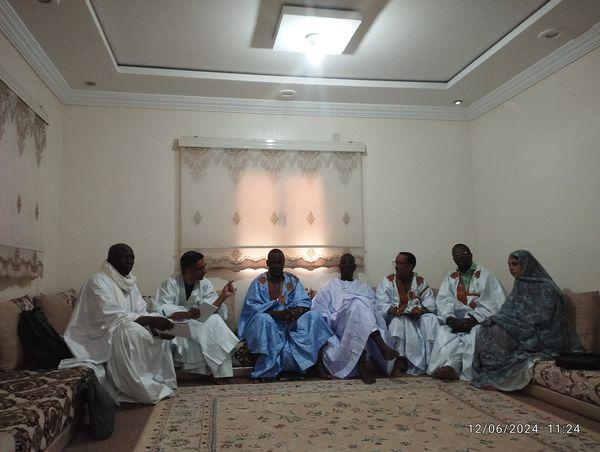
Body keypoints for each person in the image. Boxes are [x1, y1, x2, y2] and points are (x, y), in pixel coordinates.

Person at [62, 243, 176, 404]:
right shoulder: (97, 282)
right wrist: (150, 321)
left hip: (121, 326)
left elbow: (140, 309)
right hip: (97, 336)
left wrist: (156, 325)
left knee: (157, 332)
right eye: (125, 257)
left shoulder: (129, 281)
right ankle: (136, 388)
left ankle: (156, 380)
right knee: (129, 332)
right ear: (111, 259)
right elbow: (111, 316)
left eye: (132, 258)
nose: (130, 262)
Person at [472, 250, 582, 391]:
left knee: (497, 330)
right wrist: (500, 319)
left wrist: (512, 322)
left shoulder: (546, 287)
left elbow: (541, 317)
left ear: (526, 264)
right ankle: (492, 375)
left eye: (515, 264)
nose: (511, 268)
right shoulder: (520, 284)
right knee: (488, 328)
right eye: (509, 265)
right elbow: (507, 310)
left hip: (544, 335)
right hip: (522, 329)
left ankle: (500, 379)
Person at [238, 249, 332, 381]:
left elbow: (304, 302)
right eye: (274, 263)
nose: (277, 266)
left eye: (280, 262)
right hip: (270, 324)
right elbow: (252, 308)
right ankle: (265, 370)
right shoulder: (259, 282)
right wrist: (277, 314)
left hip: (291, 322)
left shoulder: (291, 281)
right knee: (263, 319)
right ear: (267, 263)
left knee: (315, 316)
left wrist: (295, 312)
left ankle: (317, 365)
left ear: (283, 263)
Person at [312, 254, 398, 384]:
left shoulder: (364, 287)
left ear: (354, 267)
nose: (347, 265)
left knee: (360, 308)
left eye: (350, 263)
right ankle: (381, 346)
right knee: (358, 304)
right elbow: (319, 312)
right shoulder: (328, 287)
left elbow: (376, 309)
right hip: (338, 324)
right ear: (339, 266)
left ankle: (362, 366)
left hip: (361, 324)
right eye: (344, 263)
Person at [154, 251, 239, 380]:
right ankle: (215, 372)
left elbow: (209, 309)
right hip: (178, 323)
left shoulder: (205, 283)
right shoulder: (170, 283)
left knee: (215, 319)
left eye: (204, 267)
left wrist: (222, 297)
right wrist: (186, 314)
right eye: (201, 268)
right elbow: (161, 310)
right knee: (200, 327)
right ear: (189, 270)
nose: (205, 271)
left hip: (198, 321)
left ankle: (221, 373)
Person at [428, 244, 505, 381]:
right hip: (456, 319)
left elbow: (493, 302)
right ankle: (449, 366)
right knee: (445, 333)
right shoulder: (450, 277)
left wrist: (475, 319)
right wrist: (449, 319)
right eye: (455, 256)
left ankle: (458, 368)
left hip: (478, 319)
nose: (459, 258)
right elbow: (443, 300)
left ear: (470, 255)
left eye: (462, 254)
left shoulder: (486, 275)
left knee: (473, 335)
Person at [375, 252, 438, 376]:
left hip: (416, 320)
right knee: (400, 321)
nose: (396, 266)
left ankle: (428, 363)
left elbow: (430, 303)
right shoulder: (388, 281)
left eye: (400, 263)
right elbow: (380, 303)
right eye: (396, 263)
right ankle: (399, 360)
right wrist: (391, 310)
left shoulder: (420, 282)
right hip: (395, 318)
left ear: (411, 266)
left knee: (430, 319)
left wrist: (420, 310)